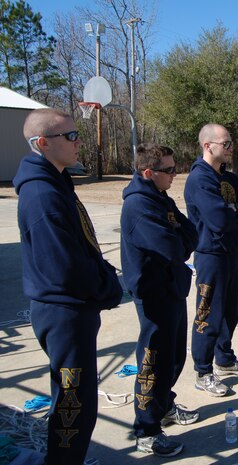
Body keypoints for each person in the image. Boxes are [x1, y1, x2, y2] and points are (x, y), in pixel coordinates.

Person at [13, 108, 122, 465]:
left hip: (75, 307)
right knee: (74, 404)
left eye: (78, 134)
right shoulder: (42, 195)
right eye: (71, 136)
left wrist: (103, 276)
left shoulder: (58, 182)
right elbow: (65, 268)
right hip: (63, 311)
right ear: (42, 143)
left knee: (78, 400)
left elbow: (83, 244)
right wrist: (108, 288)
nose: (79, 142)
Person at [121, 144, 199, 457]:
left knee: (175, 356)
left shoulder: (160, 197)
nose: (174, 174)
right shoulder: (139, 205)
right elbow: (172, 246)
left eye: (174, 167)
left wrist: (180, 235)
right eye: (168, 170)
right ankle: (147, 430)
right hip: (154, 294)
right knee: (153, 362)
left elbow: (190, 231)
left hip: (172, 288)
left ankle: (164, 406)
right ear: (148, 173)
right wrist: (180, 236)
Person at [184, 124, 238, 397]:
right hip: (210, 256)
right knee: (208, 314)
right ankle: (203, 371)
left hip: (232, 253)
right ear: (208, 146)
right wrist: (234, 212)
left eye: (230, 143)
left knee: (229, 311)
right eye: (226, 144)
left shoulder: (227, 177)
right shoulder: (199, 179)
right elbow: (217, 219)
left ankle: (225, 358)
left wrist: (234, 209)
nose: (231, 148)